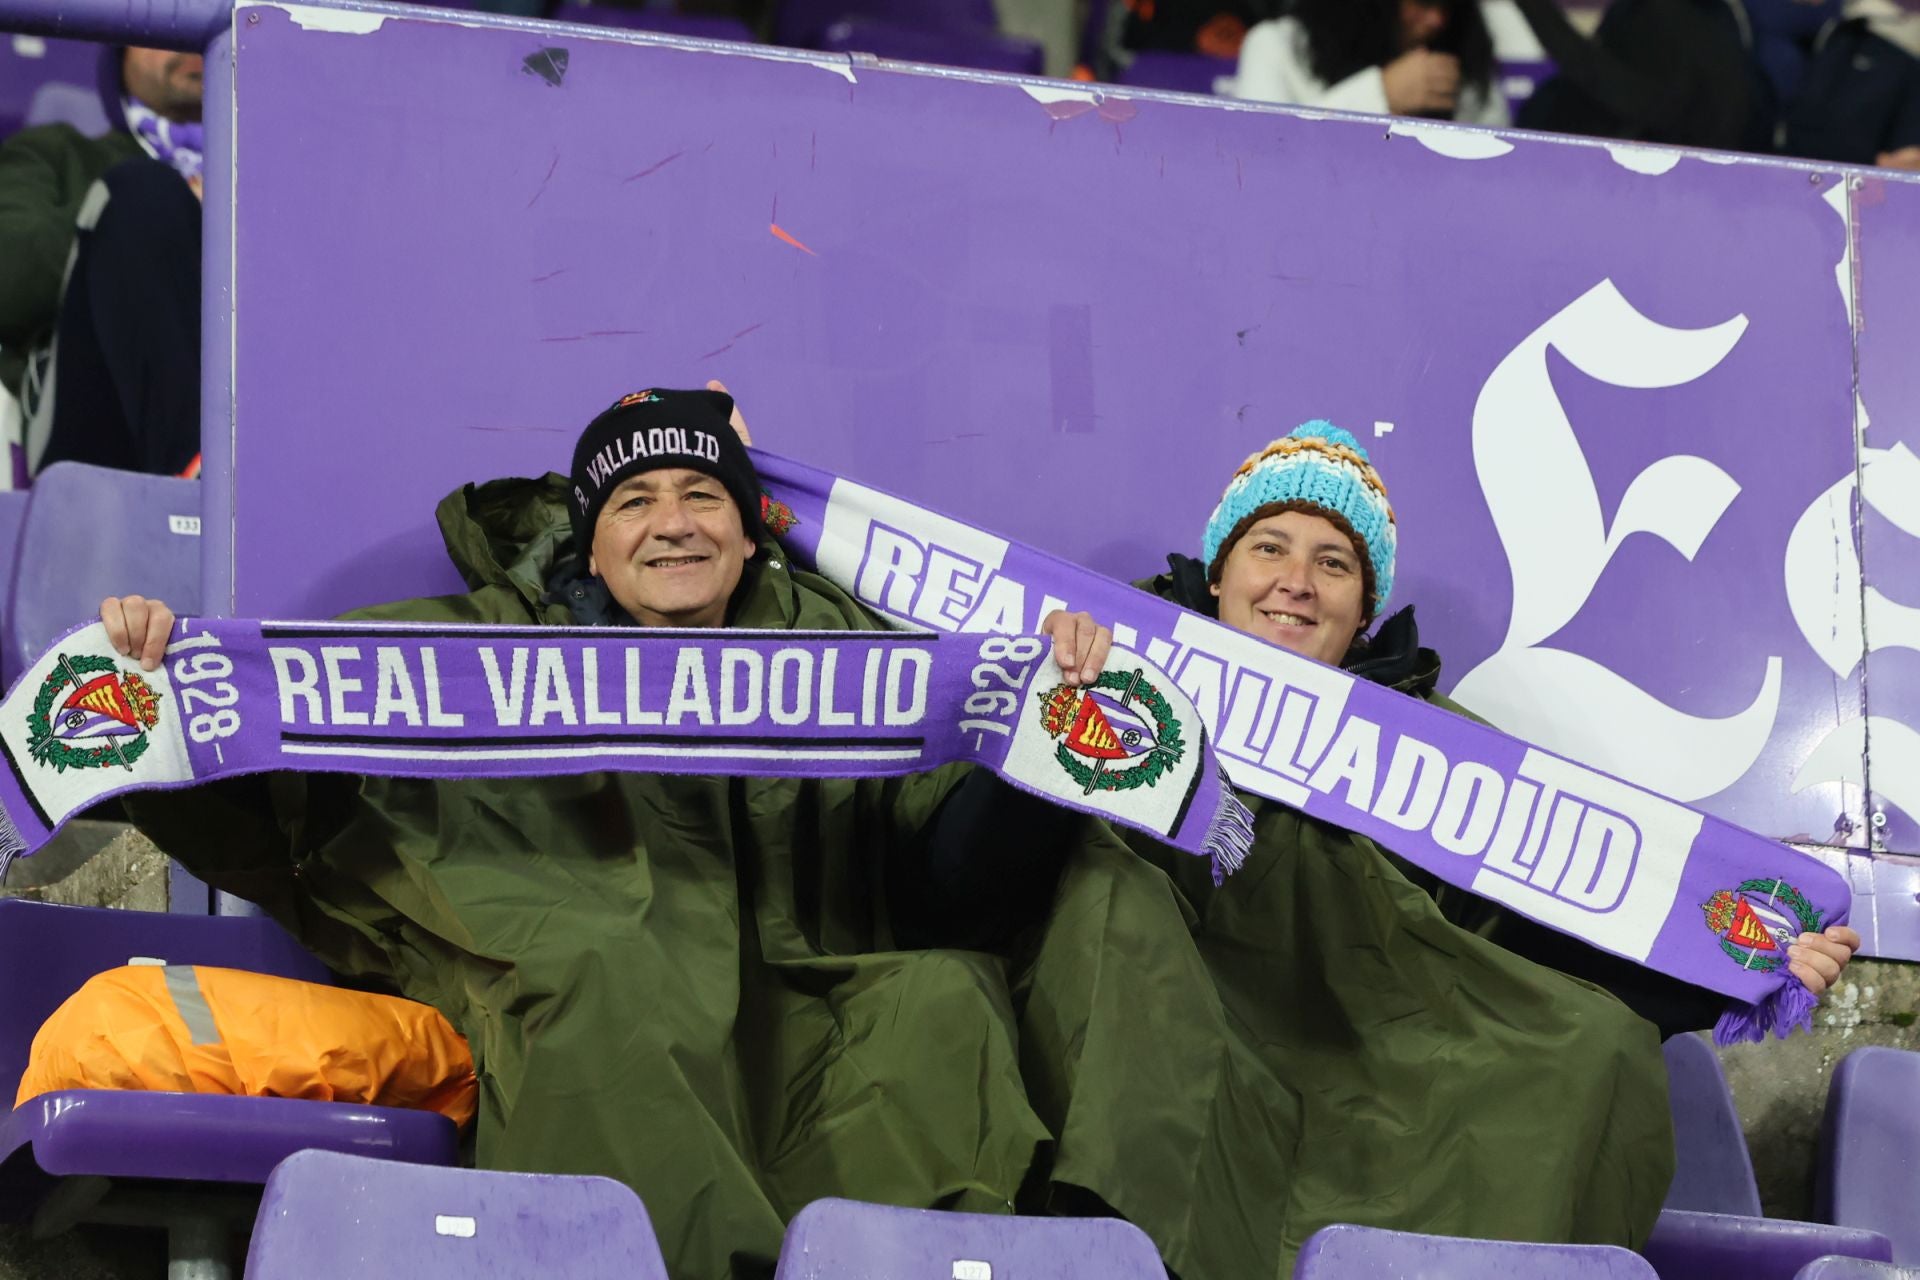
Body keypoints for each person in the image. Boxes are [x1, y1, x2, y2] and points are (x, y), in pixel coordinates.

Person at [103, 385, 1113, 1280]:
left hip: (809, 998)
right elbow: (301, 819)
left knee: (945, 1003)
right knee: (611, 988)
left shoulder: (845, 652)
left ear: (751, 534)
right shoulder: (469, 648)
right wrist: (152, 698)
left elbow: (949, 872)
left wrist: (1047, 732)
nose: (671, 523)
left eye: (702, 495)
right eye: (634, 501)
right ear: (588, 544)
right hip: (582, 986)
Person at [983, 422, 1860, 1273]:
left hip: (1362, 1067)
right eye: (1270, 548)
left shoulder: (1434, 753)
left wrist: (1737, 964)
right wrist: (1034, 707)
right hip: (1159, 1038)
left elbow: (1548, 924)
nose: (1297, 580)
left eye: (1334, 564)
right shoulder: (1106, 666)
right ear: (1218, 575)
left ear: (1362, 611)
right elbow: (967, 879)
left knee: (1593, 1040)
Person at [0, 46, 203, 482]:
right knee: (143, 192)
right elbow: (9, 272)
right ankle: (204, 480)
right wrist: (179, 217)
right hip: (94, 434)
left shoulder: (285, 176)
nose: (188, 41)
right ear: (120, 54)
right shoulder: (57, 151)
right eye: (165, 11)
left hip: (262, 403)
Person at [1224, 0, 1508, 126]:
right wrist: (1381, 94)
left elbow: (1496, 160)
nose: (1437, 20)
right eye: (1422, 2)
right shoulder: (1274, 45)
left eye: (1449, 5)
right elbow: (1259, 161)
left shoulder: (1461, 51)